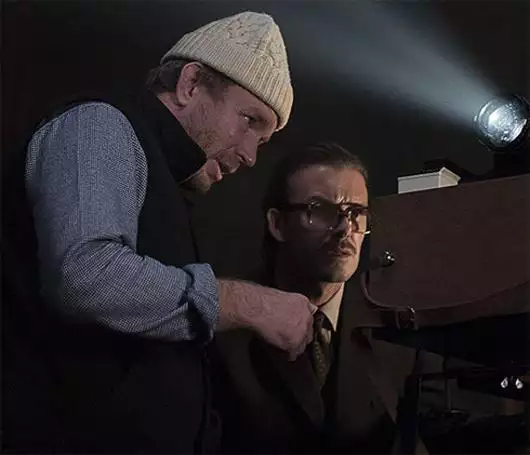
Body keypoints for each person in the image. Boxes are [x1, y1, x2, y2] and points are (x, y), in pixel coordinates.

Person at [1, 11, 315, 454]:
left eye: (262, 142)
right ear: (190, 84)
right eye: (249, 121)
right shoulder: (98, 124)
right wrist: (250, 303)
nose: (249, 156)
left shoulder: (165, 178)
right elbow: (85, 276)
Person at [212, 142, 403, 454]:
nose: (345, 229)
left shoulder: (397, 327)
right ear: (277, 224)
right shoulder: (228, 326)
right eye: (320, 210)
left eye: (356, 213)